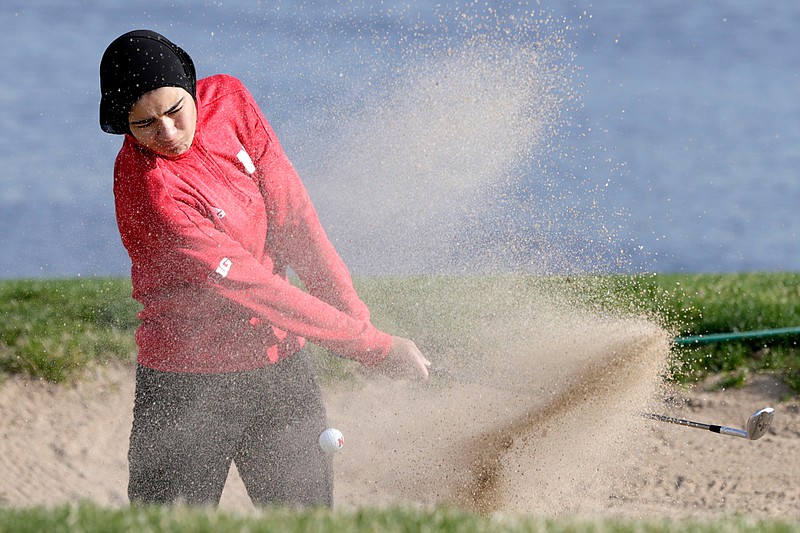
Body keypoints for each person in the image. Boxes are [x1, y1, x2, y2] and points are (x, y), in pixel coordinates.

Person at [99, 29, 430, 508]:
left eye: (174, 111)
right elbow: (259, 290)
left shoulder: (229, 99)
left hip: (278, 371)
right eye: (145, 125)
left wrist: (358, 320)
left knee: (306, 518)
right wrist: (373, 348)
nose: (167, 133)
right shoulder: (154, 193)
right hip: (184, 386)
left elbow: (296, 220)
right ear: (125, 126)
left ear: (190, 89)